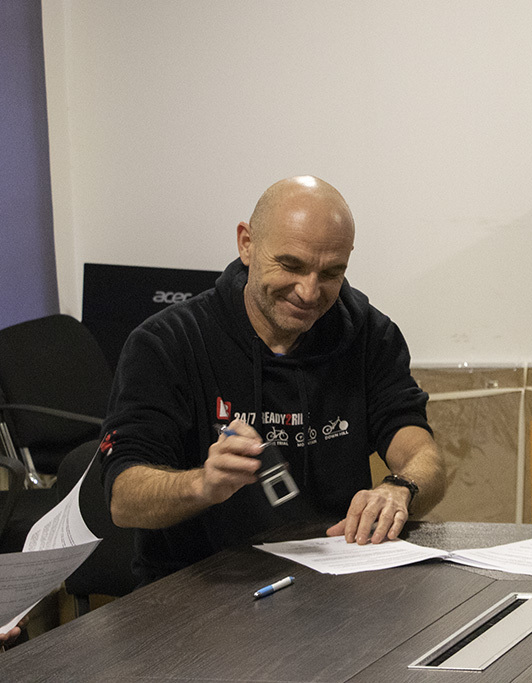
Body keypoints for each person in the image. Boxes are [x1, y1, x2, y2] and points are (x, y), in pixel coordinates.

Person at [101, 175, 445, 584]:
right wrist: (202, 485)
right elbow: (123, 499)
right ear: (246, 244)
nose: (309, 292)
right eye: (291, 266)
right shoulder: (168, 343)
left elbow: (422, 454)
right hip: (202, 587)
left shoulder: (370, 335)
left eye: (331, 272)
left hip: (332, 580)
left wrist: (400, 488)